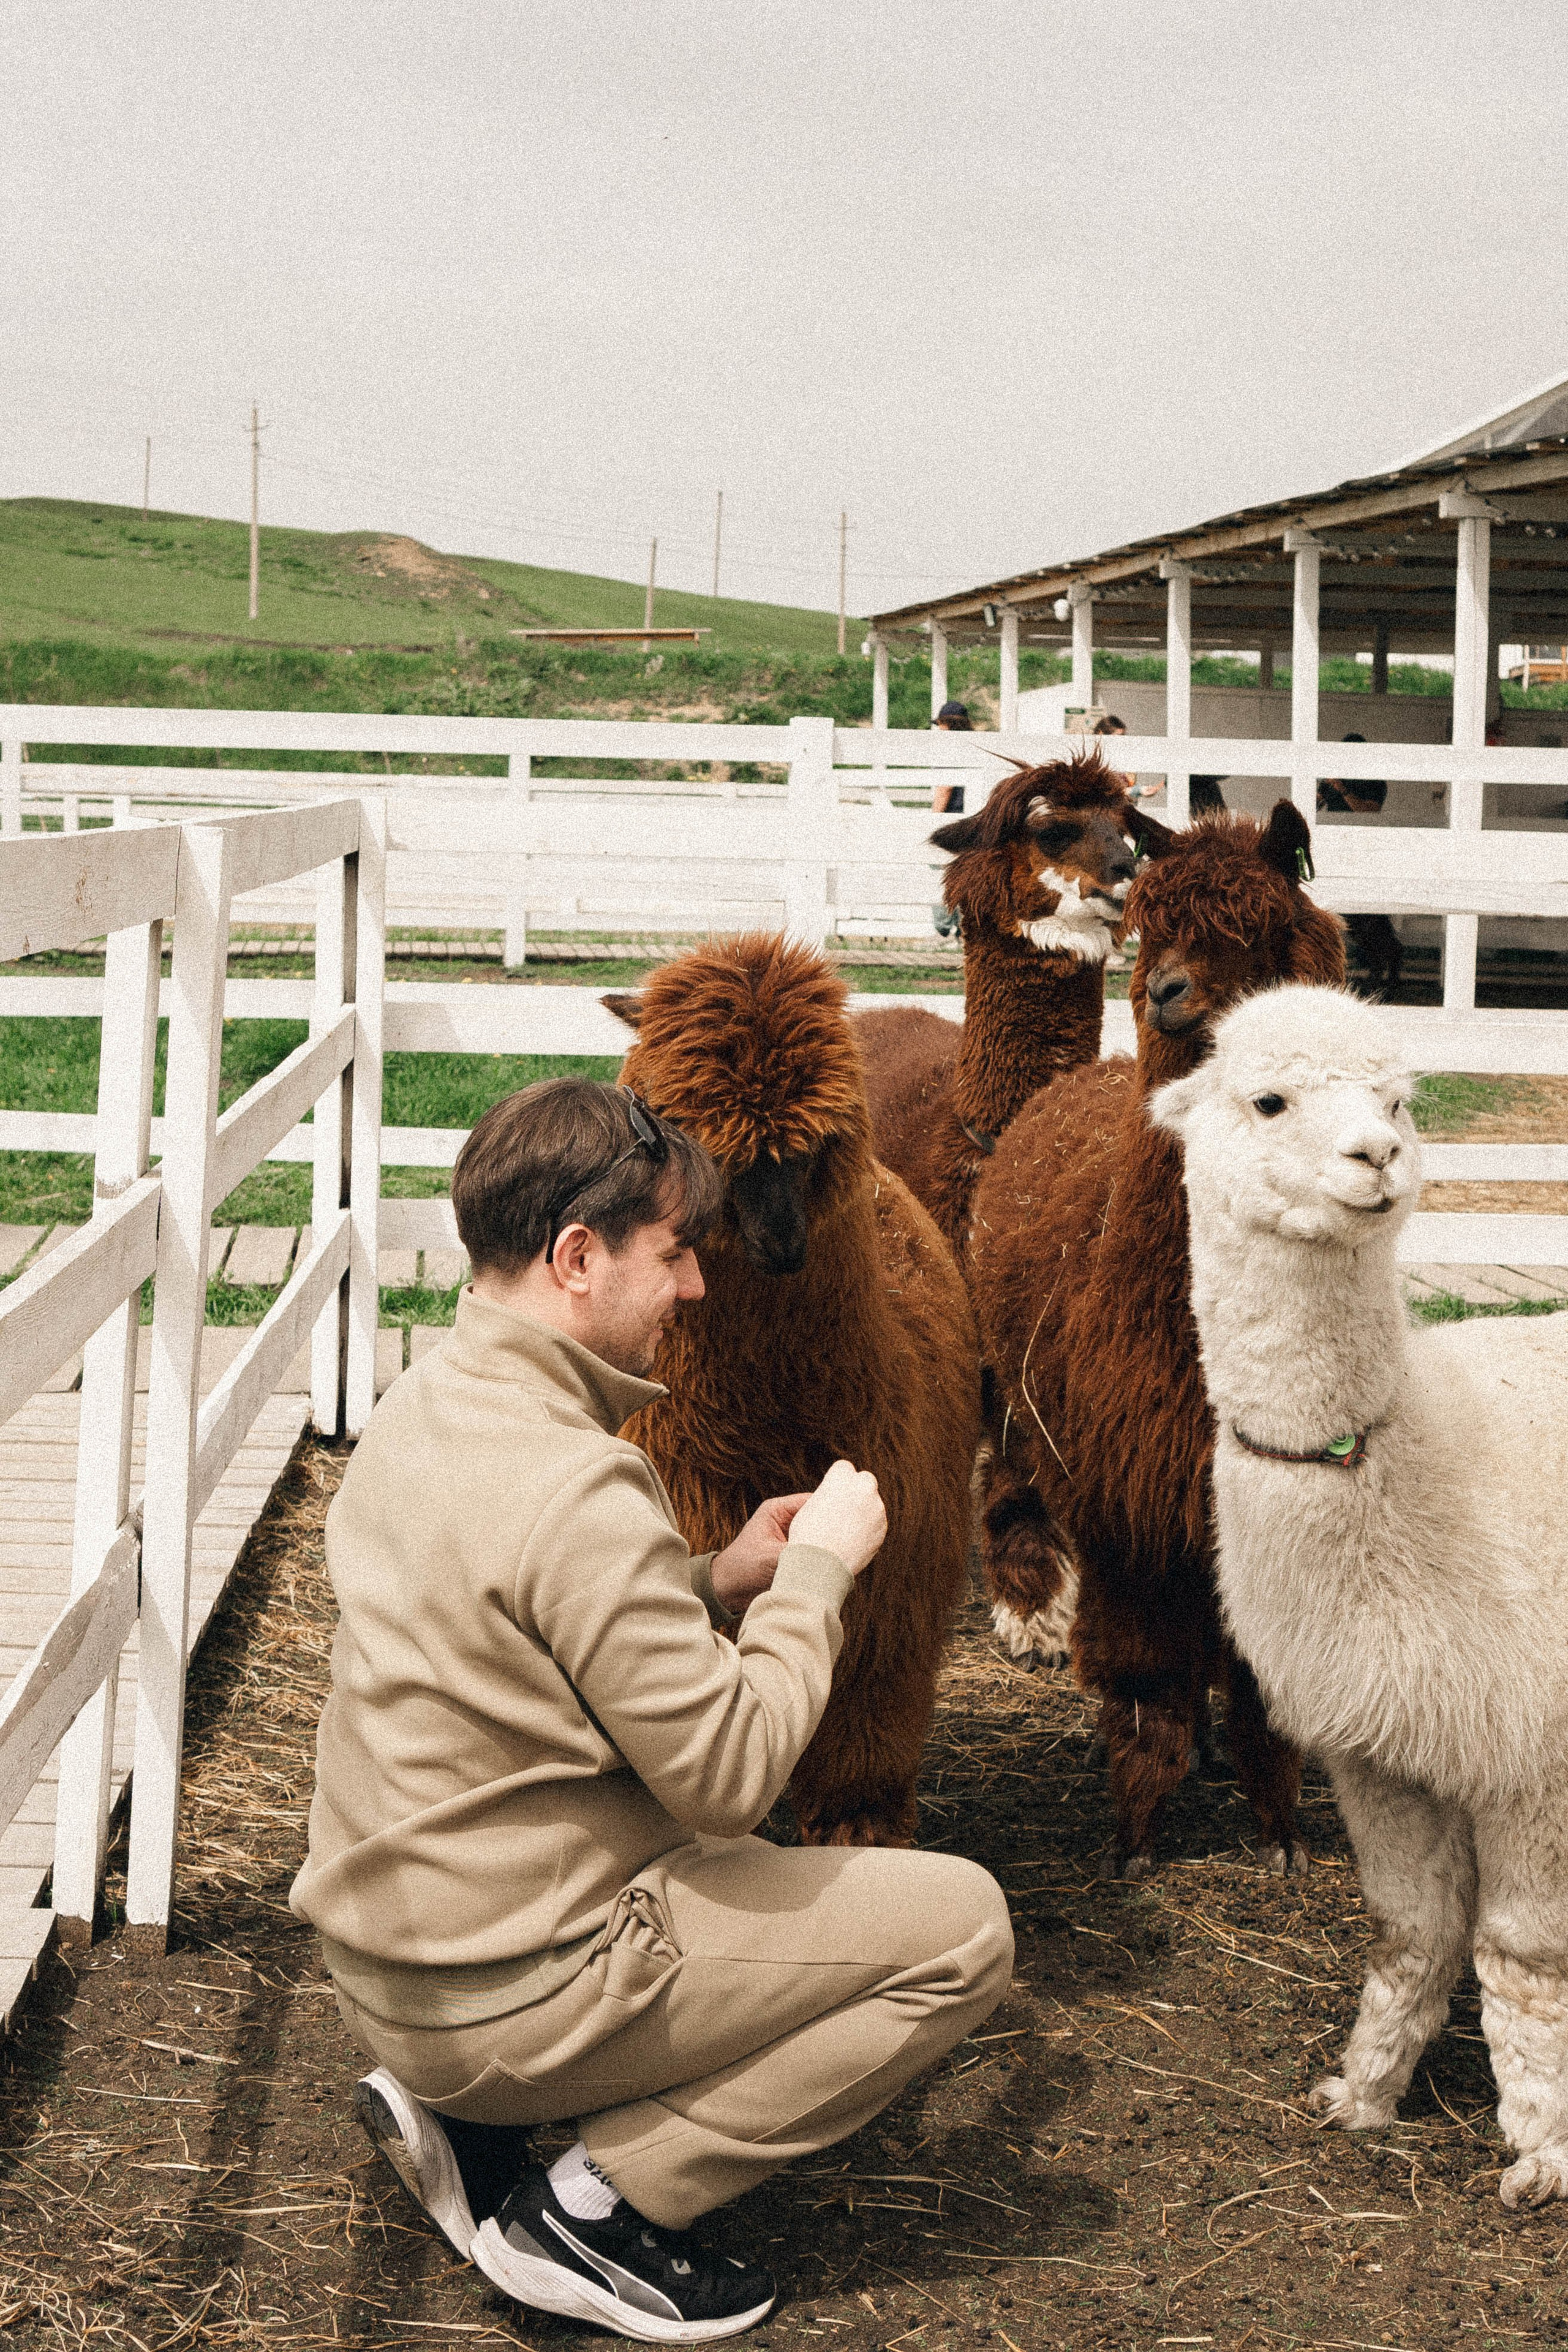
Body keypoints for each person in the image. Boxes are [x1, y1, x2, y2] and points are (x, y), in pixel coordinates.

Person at [292, 1078, 1012, 2342]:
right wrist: (813, 1579)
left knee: (728, 1869)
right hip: (509, 1993)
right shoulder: (578, 1483)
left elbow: (527, 1623)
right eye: (673, 1251)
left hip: (390, 1969)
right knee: (964, 1931)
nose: (693, 1286)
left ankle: (469, 2125)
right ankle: (598, 2207)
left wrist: (710, 1577)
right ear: (577, 1258)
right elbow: (729, 1778)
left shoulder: (422, 1410)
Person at [1317, 736, 1403, 999]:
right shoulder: (1334, 777)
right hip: (1337, 848)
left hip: (1364, 849)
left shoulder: (1374, 782)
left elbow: (1369, 811)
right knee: (1347, 912)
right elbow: (1314, 805)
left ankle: (1390, 961)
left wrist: (1343, 790)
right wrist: (1320, 791)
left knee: (1368, 911)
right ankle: (1377, 962)